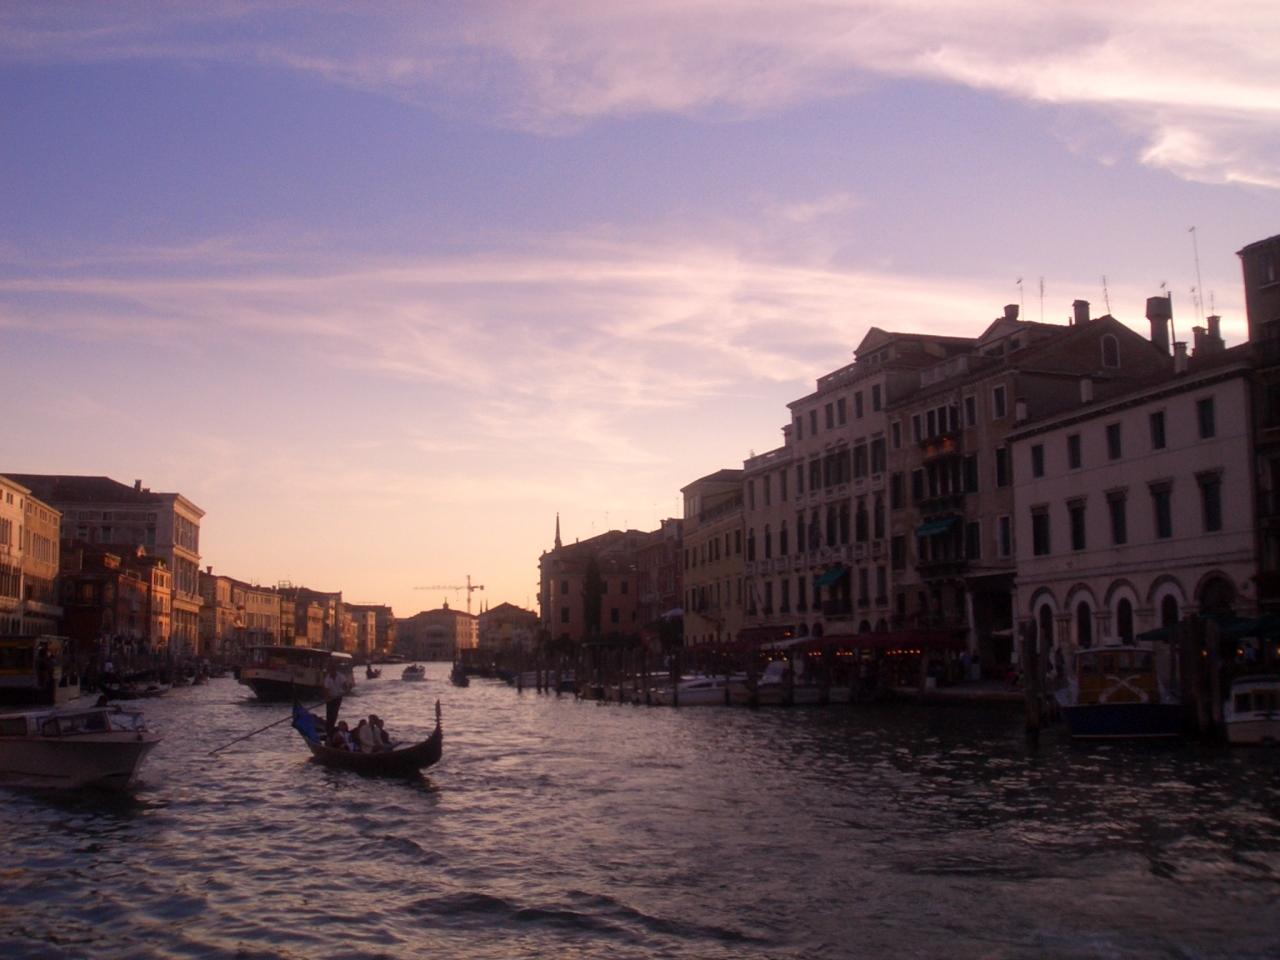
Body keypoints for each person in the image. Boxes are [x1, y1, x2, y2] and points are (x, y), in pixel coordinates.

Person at [322, 660, 346, 737]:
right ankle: (329, 729)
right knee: (329, 714)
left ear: (335, 670)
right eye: (330, 671)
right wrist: (328, 697)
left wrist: (344, 690)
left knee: (334, 713)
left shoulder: (341, 676)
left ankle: (330, 729)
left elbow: (344, 685)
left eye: (332, 671)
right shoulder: (327, 678)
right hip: (330, 698)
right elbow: (326, 690)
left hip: (338, 697)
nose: (331, 673)